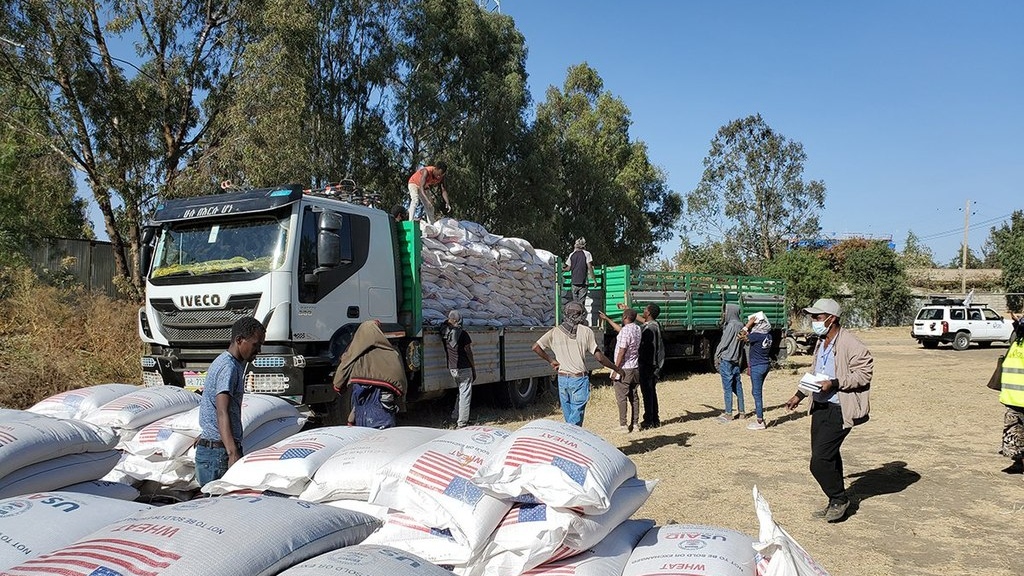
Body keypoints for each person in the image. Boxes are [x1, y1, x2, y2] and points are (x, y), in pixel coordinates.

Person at [784, 298, 872, 523]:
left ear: (831, 319)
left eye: (817, 317)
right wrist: (799, 395)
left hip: (839, 408)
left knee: (819, 461)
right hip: (820, 406)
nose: (813, 321)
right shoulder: (821, 342)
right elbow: (814, 373)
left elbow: (864, 374)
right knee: (829, 456)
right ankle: (834, 501)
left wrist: (834, 383)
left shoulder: (851, 344)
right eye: (813, 317)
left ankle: (839, 499)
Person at [195, 317, 266, 486]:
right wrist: (232, 452)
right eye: (256, 345)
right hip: (218, 455)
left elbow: (210, 403)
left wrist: (208, 433)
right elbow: (222, 410)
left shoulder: (228, 363)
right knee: (218, 509)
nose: (259, 350)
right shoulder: (229, 367)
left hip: (215, 449)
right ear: (239, 340)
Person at [533, 301, 623, 426]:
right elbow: (599, 358)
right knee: (574, 422)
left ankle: (568, 437)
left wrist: (551, 360)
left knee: (569, 417)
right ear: (581, 314)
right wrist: (616, 368)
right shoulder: (586, 332)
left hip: (562, 379)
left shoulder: (555, 331)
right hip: (579, 380)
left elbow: (536, 347)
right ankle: (569, 437)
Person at [333, 320, 408, 429]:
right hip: (383, 393)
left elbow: (344, 367)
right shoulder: (390, 352)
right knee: (381, 428)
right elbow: (399, 377)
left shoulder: (355, 352)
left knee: (363, 427)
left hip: (360, 389)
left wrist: (338, 386)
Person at [602, 308, 642, 432]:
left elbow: (621, 351)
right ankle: (635, 424)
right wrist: (608, 319)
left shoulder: (626, 331)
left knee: (621, 397)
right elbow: (621, 331)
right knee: (634, 396)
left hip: (624, 368)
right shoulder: (637, 329)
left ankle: (623, 425)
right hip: (635, 367)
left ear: (625, 317)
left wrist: (615, 369)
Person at [998, 311, 1024, 471]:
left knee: (1019, 439)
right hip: (1015, 399)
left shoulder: (1016, 343)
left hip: (1013, 398)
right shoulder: (1017, 342)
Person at [440, 310, 475, 429]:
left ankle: (455, 415)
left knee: (461, 392)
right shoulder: (463, 334)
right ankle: (462, 423)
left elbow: (445, 323)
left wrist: (448, 321)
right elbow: (468, 352)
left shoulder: (444, 332)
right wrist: (473, 368)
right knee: (465, 394)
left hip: (452, 368)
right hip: (464, 367)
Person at [713, 303, 746, 422]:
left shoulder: (731, 325)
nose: (724, 314)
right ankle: (742, 412)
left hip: (727, 359)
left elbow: (724, 342)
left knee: (727, 387)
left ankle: (728, 413)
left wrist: (717, 354)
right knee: (738, 386)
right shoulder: (741, 325)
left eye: (725, 311)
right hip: (736, 359)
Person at [741, 311, 773, 430]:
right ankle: (760, 419)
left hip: (757, 366)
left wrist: (748, 325)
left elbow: (740, 336)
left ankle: (760, 421)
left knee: (756, 393)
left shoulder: (756, 336)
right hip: (765, 365)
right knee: (757, 392)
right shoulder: (768, 335)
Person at [637, 304, 665, 429]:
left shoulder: (649, 329)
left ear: (648, 313)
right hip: (653, 365)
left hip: (648, 365)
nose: (643, 311)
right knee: (651, 392)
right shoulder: (655, 324)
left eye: (645, 310)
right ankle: (655, 418)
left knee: (647, 393)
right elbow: (644, 321)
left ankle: (648, 420)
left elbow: (648, 349)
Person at [563, 238, 595, 305]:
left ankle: (575, 315)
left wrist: (561, 269)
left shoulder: (571, 255)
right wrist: (594, 280)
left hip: (574, 283)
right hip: (583, 283)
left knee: (575, 303)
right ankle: (580, 315)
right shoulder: (587, 254)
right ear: (584, 245)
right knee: (581, 304)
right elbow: (589, 266)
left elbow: (568, 268)